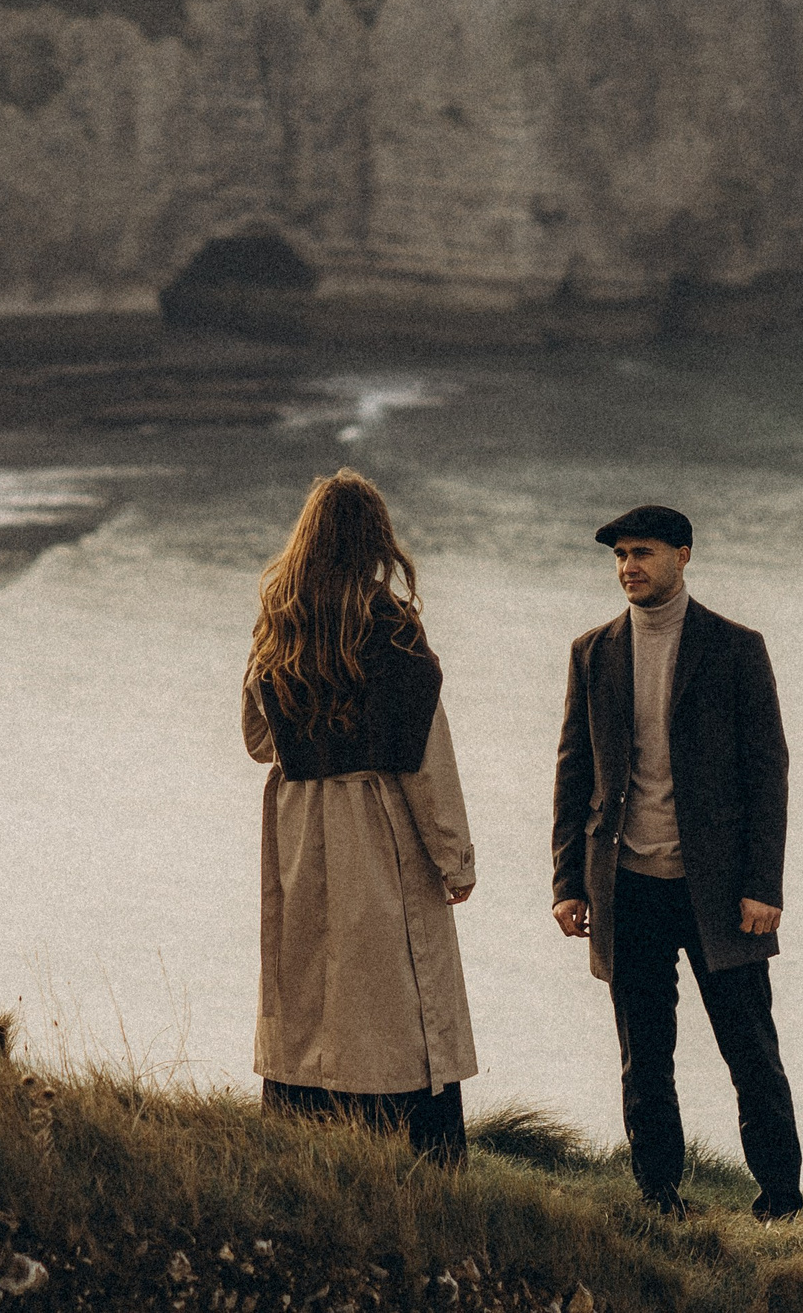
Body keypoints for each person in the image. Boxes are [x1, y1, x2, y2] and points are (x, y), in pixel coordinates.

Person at [549, 505, 803, 1219]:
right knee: (645, 1054)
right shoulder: (593, 652)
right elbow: (574, 773)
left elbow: (768, 772)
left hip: (721, 892)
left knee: (751, 1051)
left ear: (683, 556)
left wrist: (763, 885)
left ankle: (780, 1198)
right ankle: (659, 1193)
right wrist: (568, 880)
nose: (630, 565)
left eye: (644, 552)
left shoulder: (735, 648)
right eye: (621, 555)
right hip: (627, 886)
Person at [244, 468, 478, 1160]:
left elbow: (259, 742)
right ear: (375, 541)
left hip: (298, 825)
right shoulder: (392, 627)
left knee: (311, 988)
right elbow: (425, 760)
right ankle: (412, 1154)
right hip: (377, 824)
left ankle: (306, 1141)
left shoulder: (280, 626)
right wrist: (455, 859)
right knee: (395, 993)